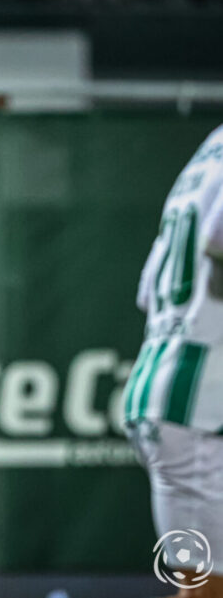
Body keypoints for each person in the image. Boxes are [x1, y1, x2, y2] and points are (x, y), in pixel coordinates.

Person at [124, 123, 223, 598]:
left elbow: (147, 290)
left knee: (199, 584)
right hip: (202, 408)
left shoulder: (211, 145)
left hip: (167, 394)